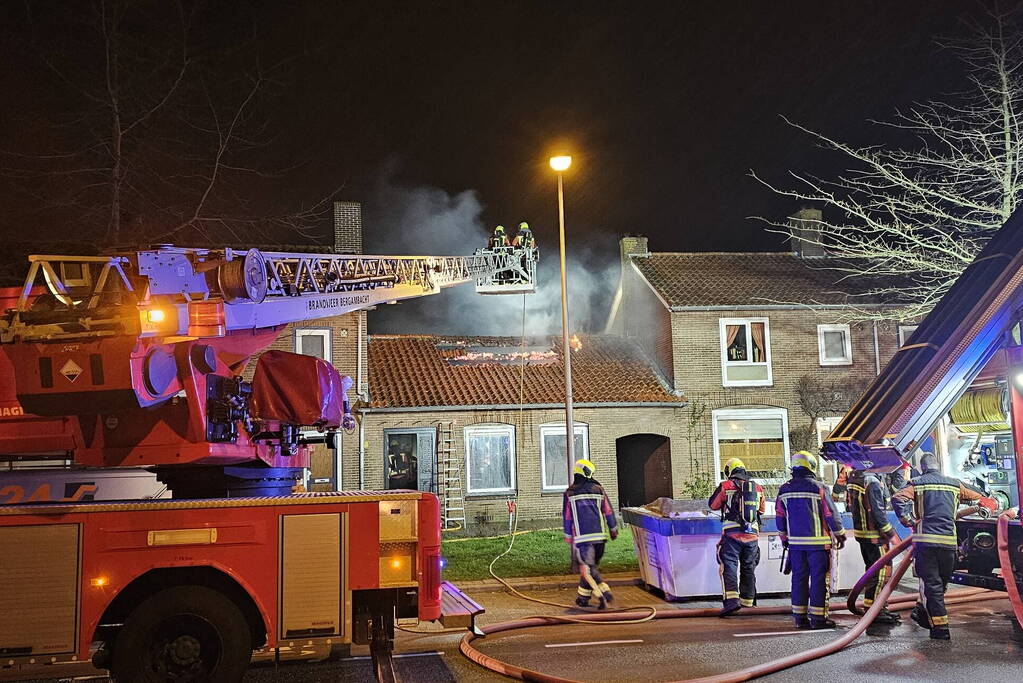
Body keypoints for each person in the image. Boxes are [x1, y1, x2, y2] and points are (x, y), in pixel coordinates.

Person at [892, 452, 985, 640]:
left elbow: (898, 497)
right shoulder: (954, 484)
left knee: (931, 585)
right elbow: (978, 496)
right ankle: (923, 612)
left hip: (926, 543)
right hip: (949, 545)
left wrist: (907, 520)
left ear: (922, 467)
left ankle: (940, 628)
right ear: (938, 466)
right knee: (939, 585)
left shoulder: (916, 484)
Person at [776, 451, 847, 629]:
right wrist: (840, 534)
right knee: (818, 580)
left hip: (795, 546)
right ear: (812, 466)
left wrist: (784, 538)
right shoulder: (819, 488)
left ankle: (799, 618)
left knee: (798, 579)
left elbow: (780, 516)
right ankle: (818, 619)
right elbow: (831, 514)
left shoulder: (784, 489)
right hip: (818, 546)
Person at [708, 457, 765, 616]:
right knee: (749, 567)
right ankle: (748, 602)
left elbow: (712, 505)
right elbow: (761, 510)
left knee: (730, 566)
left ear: (729, 471)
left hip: (731, 535)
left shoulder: (725, 486)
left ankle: (732, 602)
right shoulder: (758, 488)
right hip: (752, 536)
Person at [846, 468, 901, 625]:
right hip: (874, 536)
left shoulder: (855, 478)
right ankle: (875, 611)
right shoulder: (872, 482)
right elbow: (878, 512)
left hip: (862, 534)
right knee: (881, 574)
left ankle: (877, 607)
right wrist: (891, 535)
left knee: (872, 572)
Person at [563, 458, 619, 609]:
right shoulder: (599, 490)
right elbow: (608, 511)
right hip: (600, 538)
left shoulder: (570, 493)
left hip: (583, 540)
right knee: (589, 568)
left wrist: (568, 536)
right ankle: (582, 598)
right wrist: (613, 529)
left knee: (589, 570)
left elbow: (567, 517)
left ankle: (604, 592)